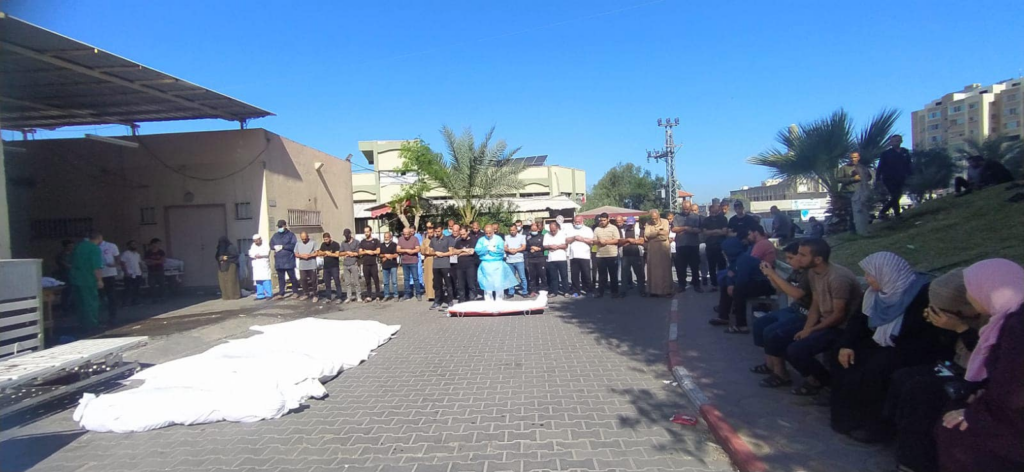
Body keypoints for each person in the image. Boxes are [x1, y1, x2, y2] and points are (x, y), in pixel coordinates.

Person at [830, 252, 938, 443]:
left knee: (876, 370)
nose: (866, 278)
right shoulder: (873, 294)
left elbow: (923, 335)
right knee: (841, 357)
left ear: (887, 275)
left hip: (907, 348)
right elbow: (858, 322)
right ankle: (847, 419)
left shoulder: (920, 295)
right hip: (879, 343)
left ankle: (875, 428)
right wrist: (846, 345)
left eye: (870, 274)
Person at [885, 269, 982, 472]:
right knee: (901, 377)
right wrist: (943, 327)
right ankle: (899, 440)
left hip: (977, 378)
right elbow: (944, 346)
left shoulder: (996, 319)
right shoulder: (957, 315)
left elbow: (987, 356)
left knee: (920, 390)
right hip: (953, 366)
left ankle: (916, 461)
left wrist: (961, 328)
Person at [935, 259, 1024, 472]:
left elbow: (1013, 391)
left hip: (1014, 421)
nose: (968, 296)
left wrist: (976, 413)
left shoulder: (1016, 327)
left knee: (954, 433)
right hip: (1005, 406)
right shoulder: (1006, 317)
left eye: (971, 289)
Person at [786, 238, 863, 396]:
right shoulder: (813, 272)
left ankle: (828, 384)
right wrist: (807, 329)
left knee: (797, 350)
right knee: (785, 339)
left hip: (844, 327)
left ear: (818, 259)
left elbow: (839, 315)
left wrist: (812, 330)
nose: (798, 258)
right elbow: (816, 303)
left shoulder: (838, 278)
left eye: (802, 255)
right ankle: (817, 380)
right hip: (825, 322)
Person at [752, 242, 813, 388]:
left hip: (805, 314)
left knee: (773, 333)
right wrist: (770, 275)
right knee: (760, 324)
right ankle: (770, 364)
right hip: (794, 309)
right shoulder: (796, 271)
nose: (788, 261)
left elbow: (796, 294)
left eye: (791, 258)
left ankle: (781, 373)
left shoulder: (809, 274)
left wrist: (774, 274)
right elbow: (780, 290)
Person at [717, 226, 777, 333]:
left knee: (738, 291)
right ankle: (723, 316)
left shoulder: (744, 260)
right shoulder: (737, 259)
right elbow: (731, 273)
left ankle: (741, 325)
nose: (723, 253)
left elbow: (742, 279)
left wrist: (733, 285)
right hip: (755, 282)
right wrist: (730, 284)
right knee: (727, 285)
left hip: (766, 284)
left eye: (724, 250)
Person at [70, 231, 104, 330]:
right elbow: (96, 267)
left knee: (80, 302)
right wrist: (99, 280)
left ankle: (82, 323)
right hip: (88, 279)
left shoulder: (78, 246)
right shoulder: (94, 249)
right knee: (91, 302)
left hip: (76, 278)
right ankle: (92, 324)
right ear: (99, 238)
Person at [475, 224, 517, 302]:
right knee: (487, 283)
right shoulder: (481, 240)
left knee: (498, 283)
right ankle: (488, 300)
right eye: (486, 233)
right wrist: (486, 248)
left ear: (493, 231)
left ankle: (499, 300)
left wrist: (492, 251)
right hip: (486, 264)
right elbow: (477, 250)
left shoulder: (498, 239)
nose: (488, 235)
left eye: (490, 233)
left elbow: (501, 251)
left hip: (497, 264)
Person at [876, 134, 912, 218]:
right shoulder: (886, 154)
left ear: (901, 141)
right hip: (889, 178)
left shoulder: (905, 152)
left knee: (897, 195)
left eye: (898, 140)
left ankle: (897, 214)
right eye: (894, 141)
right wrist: (878, 178)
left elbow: (909, 164)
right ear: (891, 143)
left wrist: (911, 175)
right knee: (895, 195)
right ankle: (884, 211)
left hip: (901, 177)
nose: (896, 142)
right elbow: (880, 166)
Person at [672, 204, 703, 293]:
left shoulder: (696, 217)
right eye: (684, 209)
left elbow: (700, 230)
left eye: (687, 209)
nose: (685, 211)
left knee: (694, 266)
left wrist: (690, 230)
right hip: (681, 245)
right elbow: (674, 229)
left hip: (693, 245)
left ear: (690, 208)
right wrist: (685, 228)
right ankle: (682, 285)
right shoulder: (677, 217)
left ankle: (696, 285)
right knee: (681, 267)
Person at [590, 213, 620, 298]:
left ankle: (614, 292)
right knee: (602, 275)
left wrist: (606, 242)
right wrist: (599, 241)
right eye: (601, 220)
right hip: (600, 255)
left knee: (613, 275)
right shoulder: (597, 229)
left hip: (612, 254)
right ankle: (600, 292)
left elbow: (617, 240)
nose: (602, 222)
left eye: (604, 220)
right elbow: (594, 241)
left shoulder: (613, 228)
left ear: (608, 219)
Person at [644, 209, 673, 297]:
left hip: (663, 250)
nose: (654, 220)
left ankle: (666, 290)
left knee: (665, 270)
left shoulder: (665, 222)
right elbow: (646, 235)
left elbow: (665, 235)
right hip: (652, 251)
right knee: (653, 270)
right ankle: (654, 291)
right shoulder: (648, 223)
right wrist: (658, 232)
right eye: (652, 218)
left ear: (659, 216)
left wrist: (653, 237)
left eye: (655, 218)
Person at [565, 215, 595, 297]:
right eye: (576, 221)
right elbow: (567, 240)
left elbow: (591, 241)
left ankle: (588, 290)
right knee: (574, 275)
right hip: (573, 255)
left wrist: (582, 239)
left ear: (582, 221)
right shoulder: (570, 229)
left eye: (579, 221)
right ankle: (576, 291)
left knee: (586, 274)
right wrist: (574, 238)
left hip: (584, 255)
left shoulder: (588, 230)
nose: (577, 223)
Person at [702, 202, 729, 293]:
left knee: (722, 266)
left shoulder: (723, 219)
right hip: (710, 246)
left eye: (715, 212)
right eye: (712, 212)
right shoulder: (706, 220)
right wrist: (717, 231)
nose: (713, 214)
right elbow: (705, 232)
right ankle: (714, 284)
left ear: (718, 211)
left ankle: (723, 284)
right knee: (711, 266)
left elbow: (724, 232)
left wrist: (711, 232)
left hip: (721, 245)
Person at [428, 226, 456, 310]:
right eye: (436, 231)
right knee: (437, 284)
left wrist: (442, 254)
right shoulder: (433, 240)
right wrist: (435, 253)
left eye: (439, 231)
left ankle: (450, 300)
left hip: (445, 264)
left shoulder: (448, 239)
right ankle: (437, 301)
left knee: (448, 284)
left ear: (442, 230)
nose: (437, 233)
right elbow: (430, 251)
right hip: (436, 265)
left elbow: (451, 252)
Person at [269, 220, 299, 300]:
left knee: (292, 277)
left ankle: (295, 292)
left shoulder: (291, 235)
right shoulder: (275, 236)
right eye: (279, 227)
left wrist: (283, 247)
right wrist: (274, 247)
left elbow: (294, 245)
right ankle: (281, 293)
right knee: (281, 278)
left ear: (285, 226)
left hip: (289, 260)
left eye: (281, 226)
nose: (280, 228)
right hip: (279, 261)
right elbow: (271, 244)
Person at [619, 216, 646, 297]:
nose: (630, 226)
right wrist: (628, 240)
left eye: (631, 224)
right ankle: (623, 291)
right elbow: (620, 242)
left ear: (634, 223)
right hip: (625, 255)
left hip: (637, 254)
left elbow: (641, 241)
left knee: (640, 274)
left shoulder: (640, 230)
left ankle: (642, 290)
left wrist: (630, 241)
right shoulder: (622, 230)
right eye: (629, 224)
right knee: (624, 275)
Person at [543, 221, 570, 296]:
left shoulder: (563, 234)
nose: (552, 232)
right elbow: (544, 246)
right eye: (551, 230)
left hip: (561, 258)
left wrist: (557, 247)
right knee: (553, 277)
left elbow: (566, 245)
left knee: (564, 276)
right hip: (551, 259)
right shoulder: (546, 235)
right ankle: (554, 291)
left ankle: (566, 291)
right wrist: (550, 246)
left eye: (554, 230)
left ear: (557, 228)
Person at [454, 227, 479, 302]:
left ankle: (472, 298)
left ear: (468, 232)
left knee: (471, 283)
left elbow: (471, 252)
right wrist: (463, 250)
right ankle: (462, 299)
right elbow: (454, 252)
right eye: (461, 234)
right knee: (461, 284)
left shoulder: (473, 241)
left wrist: (460, 253)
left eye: (464, 234)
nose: (462, 236)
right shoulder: (458, 242)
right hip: (460, 266)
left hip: (470, 265)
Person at [396, 227, 422, 301]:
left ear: (410, 233)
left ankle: (418, 293)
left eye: (407, 234)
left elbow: (418, 249)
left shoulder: (415, 239)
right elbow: (398, 249)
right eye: (405, 234)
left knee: (415, 278)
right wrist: (406, 250)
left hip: (413, 261)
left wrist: (412, 251)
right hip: (405, 262)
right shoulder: (400, 239)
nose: (406, 236)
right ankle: (407, 294)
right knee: (406, 279)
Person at [98, 238, 120, 323]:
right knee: (99, 296)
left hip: (109, 274)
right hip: (97, 275)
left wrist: (115, 264)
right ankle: (99, 317)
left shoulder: (110, 245)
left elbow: (117, 257)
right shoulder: (91, 246)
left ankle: (113, 316)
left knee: (111, 296)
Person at [504, 223, 528, 298]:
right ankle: (511, 292)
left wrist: (516, 250)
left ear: (516, 230)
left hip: (519, 260)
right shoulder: (507, 237)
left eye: (513, 230)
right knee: (510, 277)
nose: (512, 232)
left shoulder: (522, 237)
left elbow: (524, 247)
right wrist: (509, 250)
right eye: (511, 230)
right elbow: (504, 247)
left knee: (522, 277)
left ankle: (524, 292)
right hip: (509, 260)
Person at [358, 227, 382, 302]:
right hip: (365, 264)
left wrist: (368, 251)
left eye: (367, 232)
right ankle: (369, 296)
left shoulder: (375, 241)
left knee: (376, 280)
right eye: (365, 232)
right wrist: (368, 252)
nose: (366, 233)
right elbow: (360, 252)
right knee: (367, 281)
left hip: (373, 264)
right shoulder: (362, 242)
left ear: (370, 232)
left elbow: (378, 251)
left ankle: (378, 295)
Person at [525, 222, 547, 298]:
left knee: (542, 275)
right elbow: (525, 247)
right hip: (531, 258)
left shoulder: (542, 236)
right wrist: (531, 248)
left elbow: (545, 246)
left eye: (535, 230)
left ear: (538, 229)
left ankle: (544, 290)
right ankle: (533, 291)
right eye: (532, 230)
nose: (533, 231)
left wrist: (539, 248)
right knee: (532, 276)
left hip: (540, 258)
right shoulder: (528, 237)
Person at [338, 229, 361, 303]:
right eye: (345, 236)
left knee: (356, 282)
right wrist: (346, 253)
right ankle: (349, 297)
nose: (346, 237)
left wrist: (351, 254)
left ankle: (359, 296)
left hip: (354, 263)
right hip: (346, 264)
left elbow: (358, 253)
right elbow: (340, 253)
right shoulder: (343, 243)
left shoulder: (356, 242)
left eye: (347, 235)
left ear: (350, 234)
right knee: (347, 282)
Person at [319, 232, 342, 303]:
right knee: (327, 283)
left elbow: (337, 254)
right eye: (324, 239)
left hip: (334, 266)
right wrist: (325, 252)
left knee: (337, 282)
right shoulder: (323, 244)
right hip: (326, 267)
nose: (326, 241)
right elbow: (319, 253)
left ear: (330, 238)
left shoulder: (335, 244)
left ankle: (339, 297)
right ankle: (328, 297)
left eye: (327, 239)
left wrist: (329, 254)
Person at [215, 236, 240, 301]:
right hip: (222, 266)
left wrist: (227, 258)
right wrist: (220, 258)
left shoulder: (230, 247)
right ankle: (226, 296)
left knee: (231, 281)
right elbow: (217, 256)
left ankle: (234, 295)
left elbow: (235, 255)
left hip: (231, 265)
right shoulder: (219, 248)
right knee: (223, 281)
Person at [295, 232, 318, 301]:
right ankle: (306, 293)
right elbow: (296, 254)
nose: (304, 240)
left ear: (308, 237)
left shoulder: (313, 242)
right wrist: (301, 256)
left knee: (313, 280)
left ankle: (315, 295)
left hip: (312, 264)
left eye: (305, 239)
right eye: (302, 239)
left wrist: (309, 255)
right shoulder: (298, 243)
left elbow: (317, 253)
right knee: (303, 279)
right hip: (302, 265)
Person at [248, 234, 272, 301]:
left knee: (266, 279)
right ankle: (260, 295)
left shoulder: (265, 244)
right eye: (254, 241)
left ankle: (268, 294)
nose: (256, 242)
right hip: (256, 265)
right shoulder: (253, 245)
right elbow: (250, 253)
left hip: (263, 264)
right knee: (258, 280)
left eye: (257, 241)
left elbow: (266, 253)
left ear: (260, 239)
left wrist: (260, 255)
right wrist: (255, 255)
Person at [120, 240, 144, 306]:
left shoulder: (137, 254)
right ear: (128, 246)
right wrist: (126, 272)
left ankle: (135, 302)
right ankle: (125, 303)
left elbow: (139, 263)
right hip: (129, 274)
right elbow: (122, 263)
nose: (134, 246)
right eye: (132, 244)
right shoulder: (126, 253)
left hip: (137, 274)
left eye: (135, 244)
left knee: (137, 289)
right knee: (128, 289)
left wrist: (141, 271)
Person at [144, 238, 167, 302]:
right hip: (151, 271)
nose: (159, 245)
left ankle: (162, 297)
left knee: (162, 284)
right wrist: (157, 261)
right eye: (158, 243)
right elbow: (147, 262)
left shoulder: (161, 252)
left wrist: (153, 261)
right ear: (153, 244)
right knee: (152, 285)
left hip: (160, 270)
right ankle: (154, 298)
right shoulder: (148, 252)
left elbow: (163, 261)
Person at [55, 239, 75, 311]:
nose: (71, 247)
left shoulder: (74, 254)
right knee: (66, 292)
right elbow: (65, 265)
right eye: (70, 246)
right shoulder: (61, 255)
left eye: (72, 246)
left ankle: (73, 307)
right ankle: (65, 308)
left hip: (74, 276)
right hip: (65, 276)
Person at [378, 232, 398, 301]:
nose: (386, 238)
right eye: (385, 237)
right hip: (385, 266)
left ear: (390, 237)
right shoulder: (381, 245)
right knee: (385, 282)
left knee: (394, 281)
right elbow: (380, 254)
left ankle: (396, 295)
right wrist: (385, 255)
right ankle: (386, 295)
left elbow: (396, 255)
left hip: (393, 265)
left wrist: (390, 256)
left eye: (387, 237)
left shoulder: (394, 245)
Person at [421, 222, 435, 301]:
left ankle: (436, 294)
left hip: (435, 260)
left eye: (431, 232)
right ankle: (429, 295)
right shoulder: (425, 241)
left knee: (435, 278)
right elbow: (422, 251)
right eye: (428, 232)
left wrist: (430, 251)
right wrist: (427, 250)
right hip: (427, 261)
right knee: (428, 278)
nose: (430, 234)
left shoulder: (436, 240)